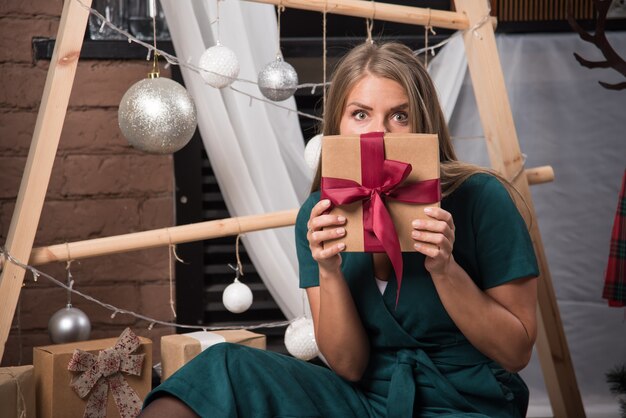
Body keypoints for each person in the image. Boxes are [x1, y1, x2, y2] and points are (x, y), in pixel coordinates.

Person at [139, 42, 539, 418]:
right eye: (360, 114)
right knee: (222, 366)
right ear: (338, 125)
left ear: (423, 124)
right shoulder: (319, 214)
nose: (377, 133)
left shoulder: (481, 198)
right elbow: (348, 366)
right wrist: (328, 272)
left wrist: (445, 270)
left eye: (400, 116)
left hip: (465, 400)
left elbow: (515, 352)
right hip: (363, 399)